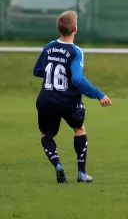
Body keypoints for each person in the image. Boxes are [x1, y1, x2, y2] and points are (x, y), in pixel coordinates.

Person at [33, 10, 112, 183]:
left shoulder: (48, 47)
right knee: (79, 129)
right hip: (68, 101)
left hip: (46, 99)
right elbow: (77, 78)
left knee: (45, 134)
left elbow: (37, 71)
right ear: (75, 28)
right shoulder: (76, 52)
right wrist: (99, 95)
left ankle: (58, 166)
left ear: (58, 28)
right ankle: (82, 174)